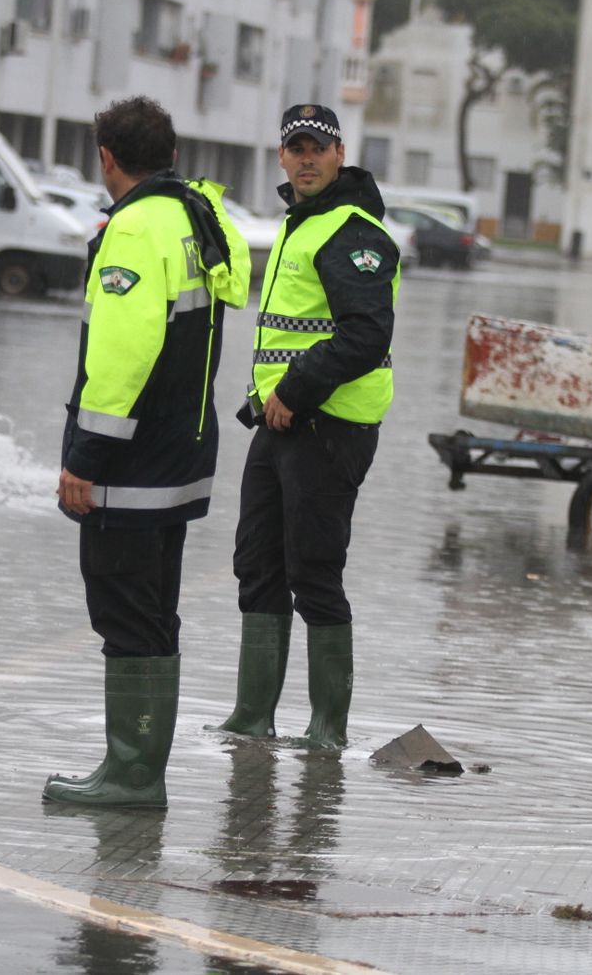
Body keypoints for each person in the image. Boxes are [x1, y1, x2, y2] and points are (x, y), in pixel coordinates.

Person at [44, 96, 249, 808]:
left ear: (107, 159)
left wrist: (85, 458)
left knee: (125, 614)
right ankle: (140, 769)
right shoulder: (197, 218)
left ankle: (132, 774)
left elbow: (125, 356)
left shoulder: (133, 231)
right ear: (171, 155)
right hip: (180, 459)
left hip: (128, 469)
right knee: (156, 615)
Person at [212, 103, 400, 748]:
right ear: (282, 156)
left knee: (314, 573)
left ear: (339, 154)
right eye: (297, 148)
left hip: (331, 423)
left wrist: (294, 389)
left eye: (319, 148)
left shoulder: (352, 230)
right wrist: (268, 397)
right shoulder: (302, 222)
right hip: (281, 422)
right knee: (257, 564)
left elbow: (366, 335)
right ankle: (253, 718)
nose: (308, 158)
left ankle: (326, 731)